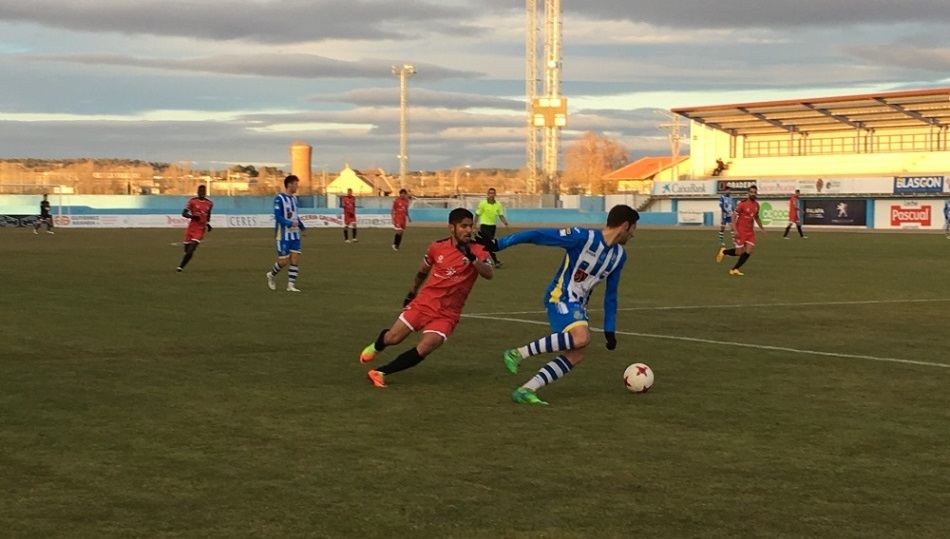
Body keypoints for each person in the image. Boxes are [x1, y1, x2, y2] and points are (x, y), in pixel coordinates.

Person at [483, 205, 639, 405]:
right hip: (560, 296)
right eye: (633, 228)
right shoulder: (582, 237)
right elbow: (537, 234)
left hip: (578, 305)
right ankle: (517, 353)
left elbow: (611, 295)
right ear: (625, 226)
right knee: (581, 337)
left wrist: (610, 329)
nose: (634, 234)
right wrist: (499, 244)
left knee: (576, 354)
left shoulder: (619, 256)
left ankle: (526, 389)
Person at [359, 208, 493, 388]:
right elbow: (423, 270)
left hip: (448, 313)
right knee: (393, 338)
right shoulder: (437, 247)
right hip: (424, 303)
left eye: (471, 226)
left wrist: (473, 259)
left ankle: (380, 372)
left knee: (428, 345)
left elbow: (489, 273)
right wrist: (412, 291)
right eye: (463, 226)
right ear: (451, 228)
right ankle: (377, 346)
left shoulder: (478, 249)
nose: (469, 230)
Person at [266, 175, 307, 292]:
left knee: (295, 258)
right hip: (283, 234)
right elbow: (278, 216)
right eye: (296, 184)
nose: (297, 186)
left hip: (294, 234)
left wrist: (302, 227)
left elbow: (295, 216)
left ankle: (291, 286)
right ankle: (271, 275)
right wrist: (289, 223)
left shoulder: (294, 199)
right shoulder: (279, 199)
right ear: (289, 184)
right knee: (283, 261)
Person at [717, 184, 765, 276]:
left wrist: (762, 228)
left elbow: (757, 217)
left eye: (755, 192)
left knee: (749, 251)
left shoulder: (757, 205)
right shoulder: (742, 204)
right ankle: (724, 251)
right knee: (738, 252)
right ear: (748, 193)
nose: (753, 194)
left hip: (750, 232)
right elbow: (733, 216)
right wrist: (735, 230)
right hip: (740, 231)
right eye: (751, 192)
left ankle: (735, 269)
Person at [176, 185, 214, 272]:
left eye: (203, 191)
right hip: (191, 228)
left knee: (191, 250)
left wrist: (207, 223)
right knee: (187, 250)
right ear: (197, 192)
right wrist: (192, 217)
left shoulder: (209, 203)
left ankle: (180, 267)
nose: (201, 193)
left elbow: (208, 214)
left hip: (200, 230)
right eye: (200, 191)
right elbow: (183, 213)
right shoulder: (192, 201)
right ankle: (184, 262)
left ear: (205, 192)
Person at [475, 187, 509, 266]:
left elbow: (501, 215)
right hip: (484, 225)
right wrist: (474, 225)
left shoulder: (498, 205)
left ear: (495, 194)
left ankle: (480, 258)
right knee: (490, 243)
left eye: (493, 193)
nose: (491, 195)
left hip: (492, 226)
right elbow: (477, 214)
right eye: (490, 193)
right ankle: (495, 261)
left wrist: (505, 223)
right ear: (488, 194)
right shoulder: (483, 204)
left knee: (486, 244)